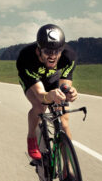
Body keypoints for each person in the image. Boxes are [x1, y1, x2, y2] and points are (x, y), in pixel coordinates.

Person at [16, 24, 78, 161]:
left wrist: (69, 92)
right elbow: (41, 95)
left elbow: (64, 87)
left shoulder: (69, 57)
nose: (53, 56)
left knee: (64, 120)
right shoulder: (26, 58)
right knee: (40, 106)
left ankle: (69, 170)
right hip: (33, 82)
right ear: (38, 50)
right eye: (48, 52)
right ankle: (32, 137)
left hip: (53, 80)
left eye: (57, 51)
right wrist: (50, 96)